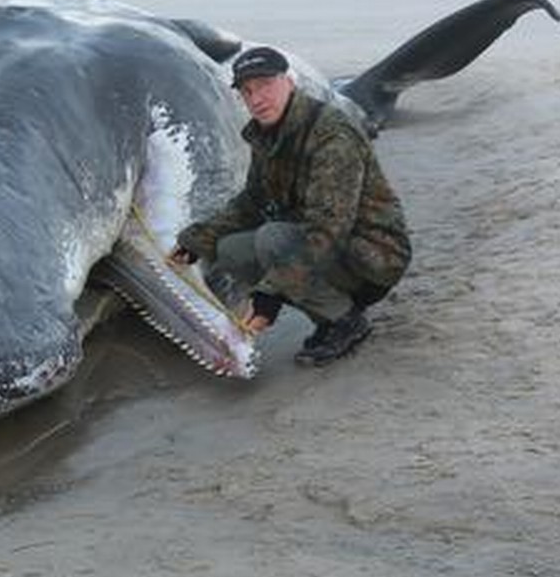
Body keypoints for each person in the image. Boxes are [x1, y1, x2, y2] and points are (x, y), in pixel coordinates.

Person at [168, 46, 411, 366]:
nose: (256, 98)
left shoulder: (331, 135)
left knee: (272, 239)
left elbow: (329, 229)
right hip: (327, 248)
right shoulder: (266, 135)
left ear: (289, 82)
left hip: (374, 256)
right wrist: (197, 240)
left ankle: (346, 320)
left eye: (266, 85)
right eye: (247, 90)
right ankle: (329, 313)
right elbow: (252, 202)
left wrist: (269, 295)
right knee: (230, 250)